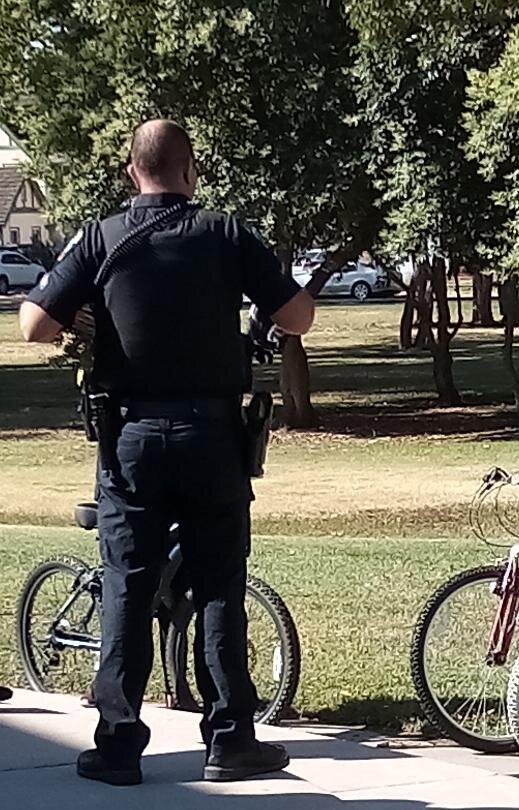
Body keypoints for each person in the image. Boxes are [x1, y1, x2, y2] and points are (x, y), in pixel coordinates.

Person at [19, 119, 315, 786]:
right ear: (192, 169)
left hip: (131, 441)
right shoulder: (227, 233)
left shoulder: (101, 237)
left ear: (132, 173)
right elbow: (297, 316)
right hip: (213, 437)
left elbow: (35, 324)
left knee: (126, 584)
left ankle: (119, 745)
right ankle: (231, 740)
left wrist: (92, 317)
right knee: (218, 586)